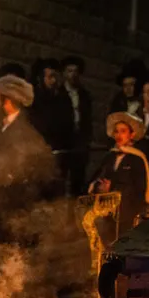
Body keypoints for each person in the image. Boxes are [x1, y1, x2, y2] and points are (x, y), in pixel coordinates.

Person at [0, 74, 56, 241]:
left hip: (9, 207)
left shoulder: (25, 133)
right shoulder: (0, 126)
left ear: (8, 102)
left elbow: (36, 172)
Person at [88, 112, 149, 237]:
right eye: (116, 131)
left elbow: (139, 189)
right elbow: (95, 178)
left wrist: (112, 188)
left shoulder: (138, 159)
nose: (119, 135)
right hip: (108, 213)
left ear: (131, 134)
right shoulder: (109, 156)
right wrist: (99, 187)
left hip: (128, 215)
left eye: (123, 131)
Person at [29, 58, 75, 197]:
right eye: (49, 77)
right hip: (37, 154)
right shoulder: (35, 99)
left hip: (57, 155)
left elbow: (68, 125)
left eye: (54, 76)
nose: (53, 81)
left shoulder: (63, 99)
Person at [61, 56, 93, 196]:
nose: (73, 74)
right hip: (64, 142)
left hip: (79, 143)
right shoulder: (59, 93)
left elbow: (87, 118)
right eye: (69, 71)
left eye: (75, 71)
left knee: (77, 181)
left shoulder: (84, 95)